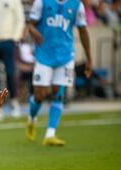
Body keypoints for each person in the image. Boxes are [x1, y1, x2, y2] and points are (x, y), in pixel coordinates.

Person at [26, 0, 93, 146]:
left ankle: (50, 134)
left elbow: (83, 30)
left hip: (65, 55)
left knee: (58, 93)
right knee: (40, 95)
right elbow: (30, 24)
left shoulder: (76, 5)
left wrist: (89, 58)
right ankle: (32, 119)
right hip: (44, 55)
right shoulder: (41, 2)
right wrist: (34, 32)